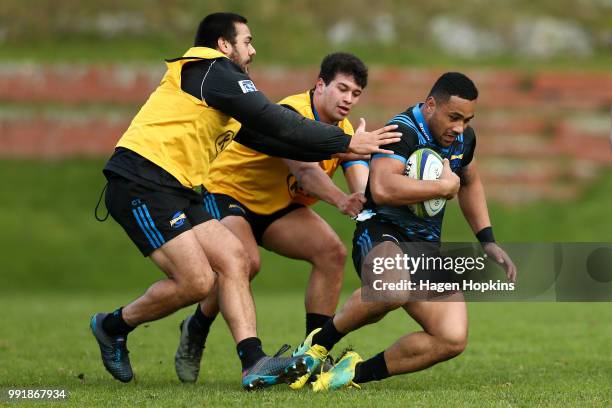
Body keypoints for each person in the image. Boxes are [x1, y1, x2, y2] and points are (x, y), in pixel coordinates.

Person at [89, 12, 400, 390]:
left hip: (181, 189)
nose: (252, 50)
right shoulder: (213, 69)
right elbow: (276, 122)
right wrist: (347, 144)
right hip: (142, 180)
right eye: (247, 41)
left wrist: (353, 160)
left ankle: (254, 362)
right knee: (198, 282)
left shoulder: (221, 90)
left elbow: (272, 139)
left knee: (234, 259)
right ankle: (112, 326)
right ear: (224, 44)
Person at [291, 72, 517, 391]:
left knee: (451, 337)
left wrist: (487, 240)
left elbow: (469, 181)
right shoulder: (403, 130)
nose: (459, 128)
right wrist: (440, 187)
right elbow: (382, 187)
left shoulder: (464, 139)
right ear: (430, 105)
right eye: (453, 117)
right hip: (382, 230)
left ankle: (350, 374)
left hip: (423, 246)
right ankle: (317, 346)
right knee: (390, 289)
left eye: (466, 120)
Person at [174, 52, 370, 384]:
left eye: (355, 93)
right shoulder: (292, 113)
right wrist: (341, 200)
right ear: (320, 85)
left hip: (276, 207)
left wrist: (374, 203)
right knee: (245, 262)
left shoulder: (347, 130)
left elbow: (360, 179)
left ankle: (313, 353)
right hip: (229, 193)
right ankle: (196, 328)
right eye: (342, 88)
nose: (348, 99)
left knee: (331, 253)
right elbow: (305, 171)